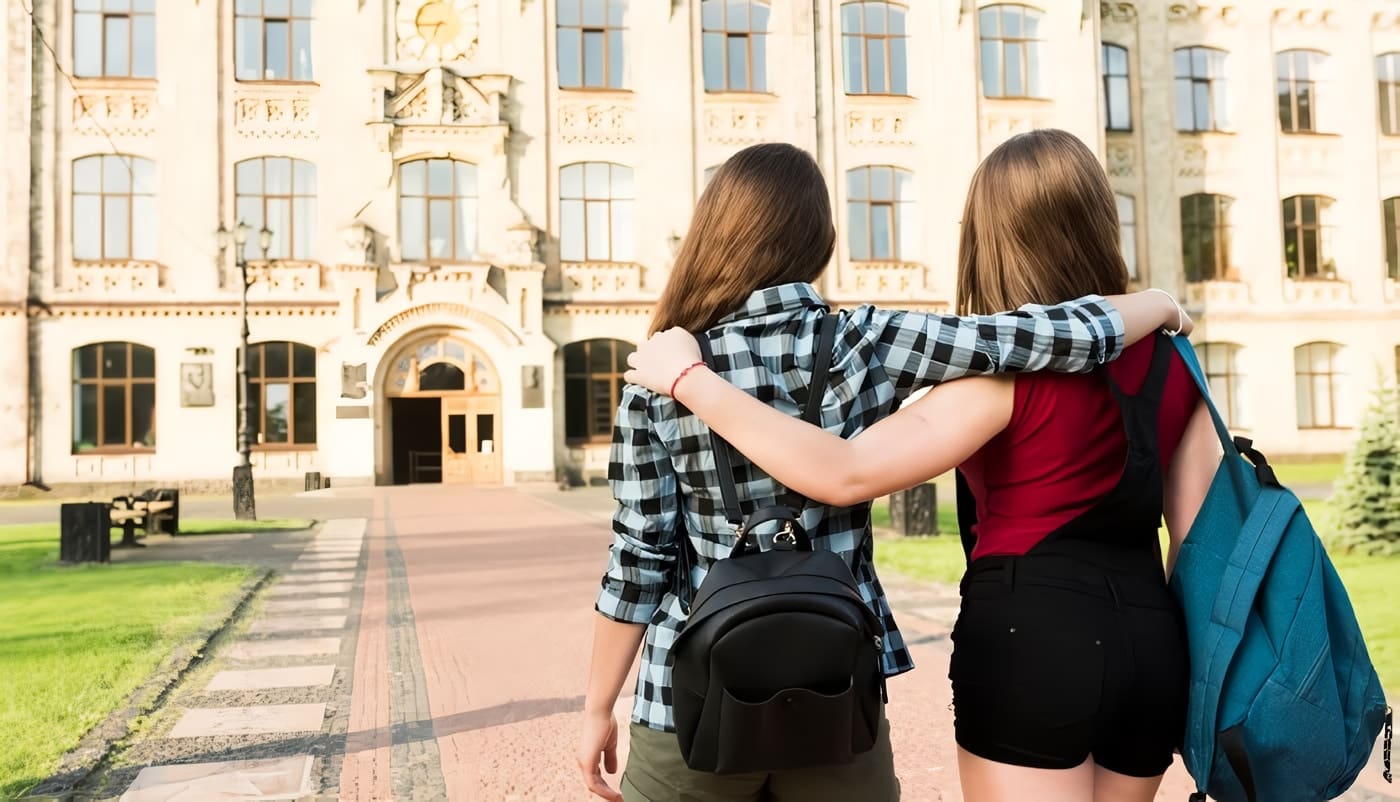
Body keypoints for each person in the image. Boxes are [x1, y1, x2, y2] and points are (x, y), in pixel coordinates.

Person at [579, 140, 1193, 802]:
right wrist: (1155, 303)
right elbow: (1038, 338)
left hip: (688, 696)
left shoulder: (660, 370)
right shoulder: (868, 340)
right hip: (836, 691)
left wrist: (596, 707)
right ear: (822, 239)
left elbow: (639, 559)